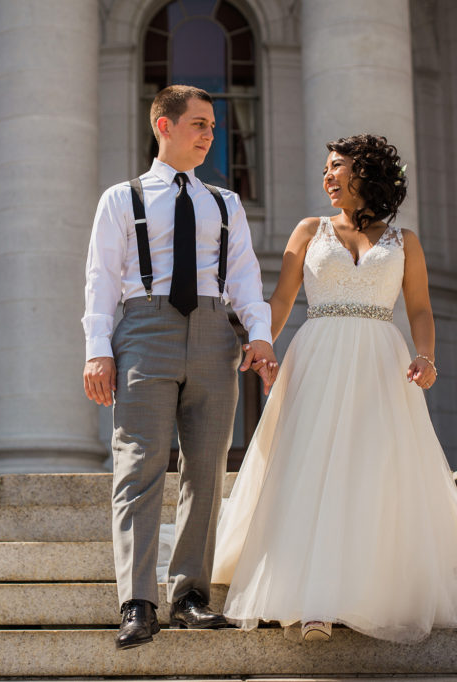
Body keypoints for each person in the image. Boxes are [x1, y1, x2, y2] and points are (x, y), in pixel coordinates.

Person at [210, 133, 457, 644]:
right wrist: (260, 345)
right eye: (324, 167)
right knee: (312, 467)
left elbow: (421, 309)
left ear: (365, 173)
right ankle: (313, 601)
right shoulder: (307, 230)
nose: (326, 176)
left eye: (335, 166)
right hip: (317, 356)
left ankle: (365, 589)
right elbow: (280, 302)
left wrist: (425, 356)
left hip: (382, 364)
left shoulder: (405, 242)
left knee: (371, 472)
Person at [82, 84, 278, 650]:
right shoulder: (123, 199)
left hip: (216, 334)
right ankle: (137, 602)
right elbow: (100, 278)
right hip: (143, 329)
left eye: (213, 127)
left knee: (207, 469)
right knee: (139, 465)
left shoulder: (226, 203)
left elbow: (245, 278)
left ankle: (190, 594)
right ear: (163, 127)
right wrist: (98, 349)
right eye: (198, 124)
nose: (209, 134)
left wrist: (259, 337)